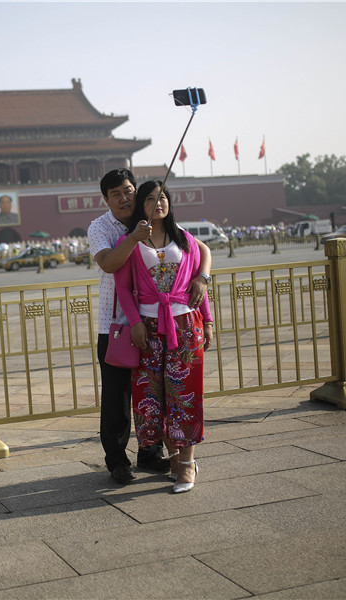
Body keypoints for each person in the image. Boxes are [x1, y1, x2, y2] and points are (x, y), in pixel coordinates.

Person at [88, 169, 211, 485]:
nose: (124, 197)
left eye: (128, 190)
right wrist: (133, 237)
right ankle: (117, 461)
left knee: (167, 391)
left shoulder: (168, 228)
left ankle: (154, 454)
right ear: (106, 198)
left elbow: (200, 252)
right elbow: (111, 266)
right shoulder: (102, 228)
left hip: (171, 324)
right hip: (117, 325)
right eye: (116, 193)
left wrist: (204, 284)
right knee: (121, 396)